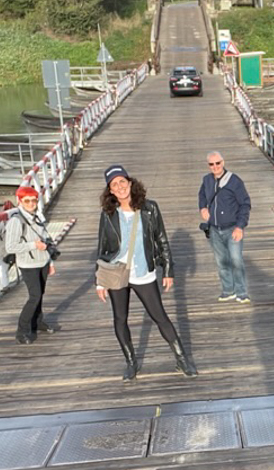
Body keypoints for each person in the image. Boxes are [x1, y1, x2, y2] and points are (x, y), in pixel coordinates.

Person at [96, 164, 197, 379]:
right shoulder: (108, 214)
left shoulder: (150, 208)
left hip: (143, 271)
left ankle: (182, 359)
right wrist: (100, 281)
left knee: (159, 316)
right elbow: (102, 246)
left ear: (130, 183)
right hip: (116, 272)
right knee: (120, 318)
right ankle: (131, 363)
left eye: (122, 181)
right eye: (114, 185)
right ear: (110, 191)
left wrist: (168, 270)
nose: (120, 187)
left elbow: (162, 239)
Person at [5, 185, 56, 344]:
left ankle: (37, 322)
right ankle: (21, 331)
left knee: (40, 294)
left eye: (34, 200)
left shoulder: (37, 216)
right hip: (28, 264)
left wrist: (50, 262)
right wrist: (33, 245)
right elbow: (10, 247)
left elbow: (46, 240)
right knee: (34, 296)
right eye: (27, 201)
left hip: (43, 261)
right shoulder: (16, 221)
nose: (31, 204)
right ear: (20, 201)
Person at [198, 151, 252, 304]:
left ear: (223, 162)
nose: (215, 166)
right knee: (221, 262)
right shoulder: (207, 180)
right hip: (214, 228)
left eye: (218, 163)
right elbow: (201, 195)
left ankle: (242, 292)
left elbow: (245, 204)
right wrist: (202, 208)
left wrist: (240, 227)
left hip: (232, 228)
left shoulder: (235, 181)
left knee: (236, 261)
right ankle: (228, 290)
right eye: (211, 164)